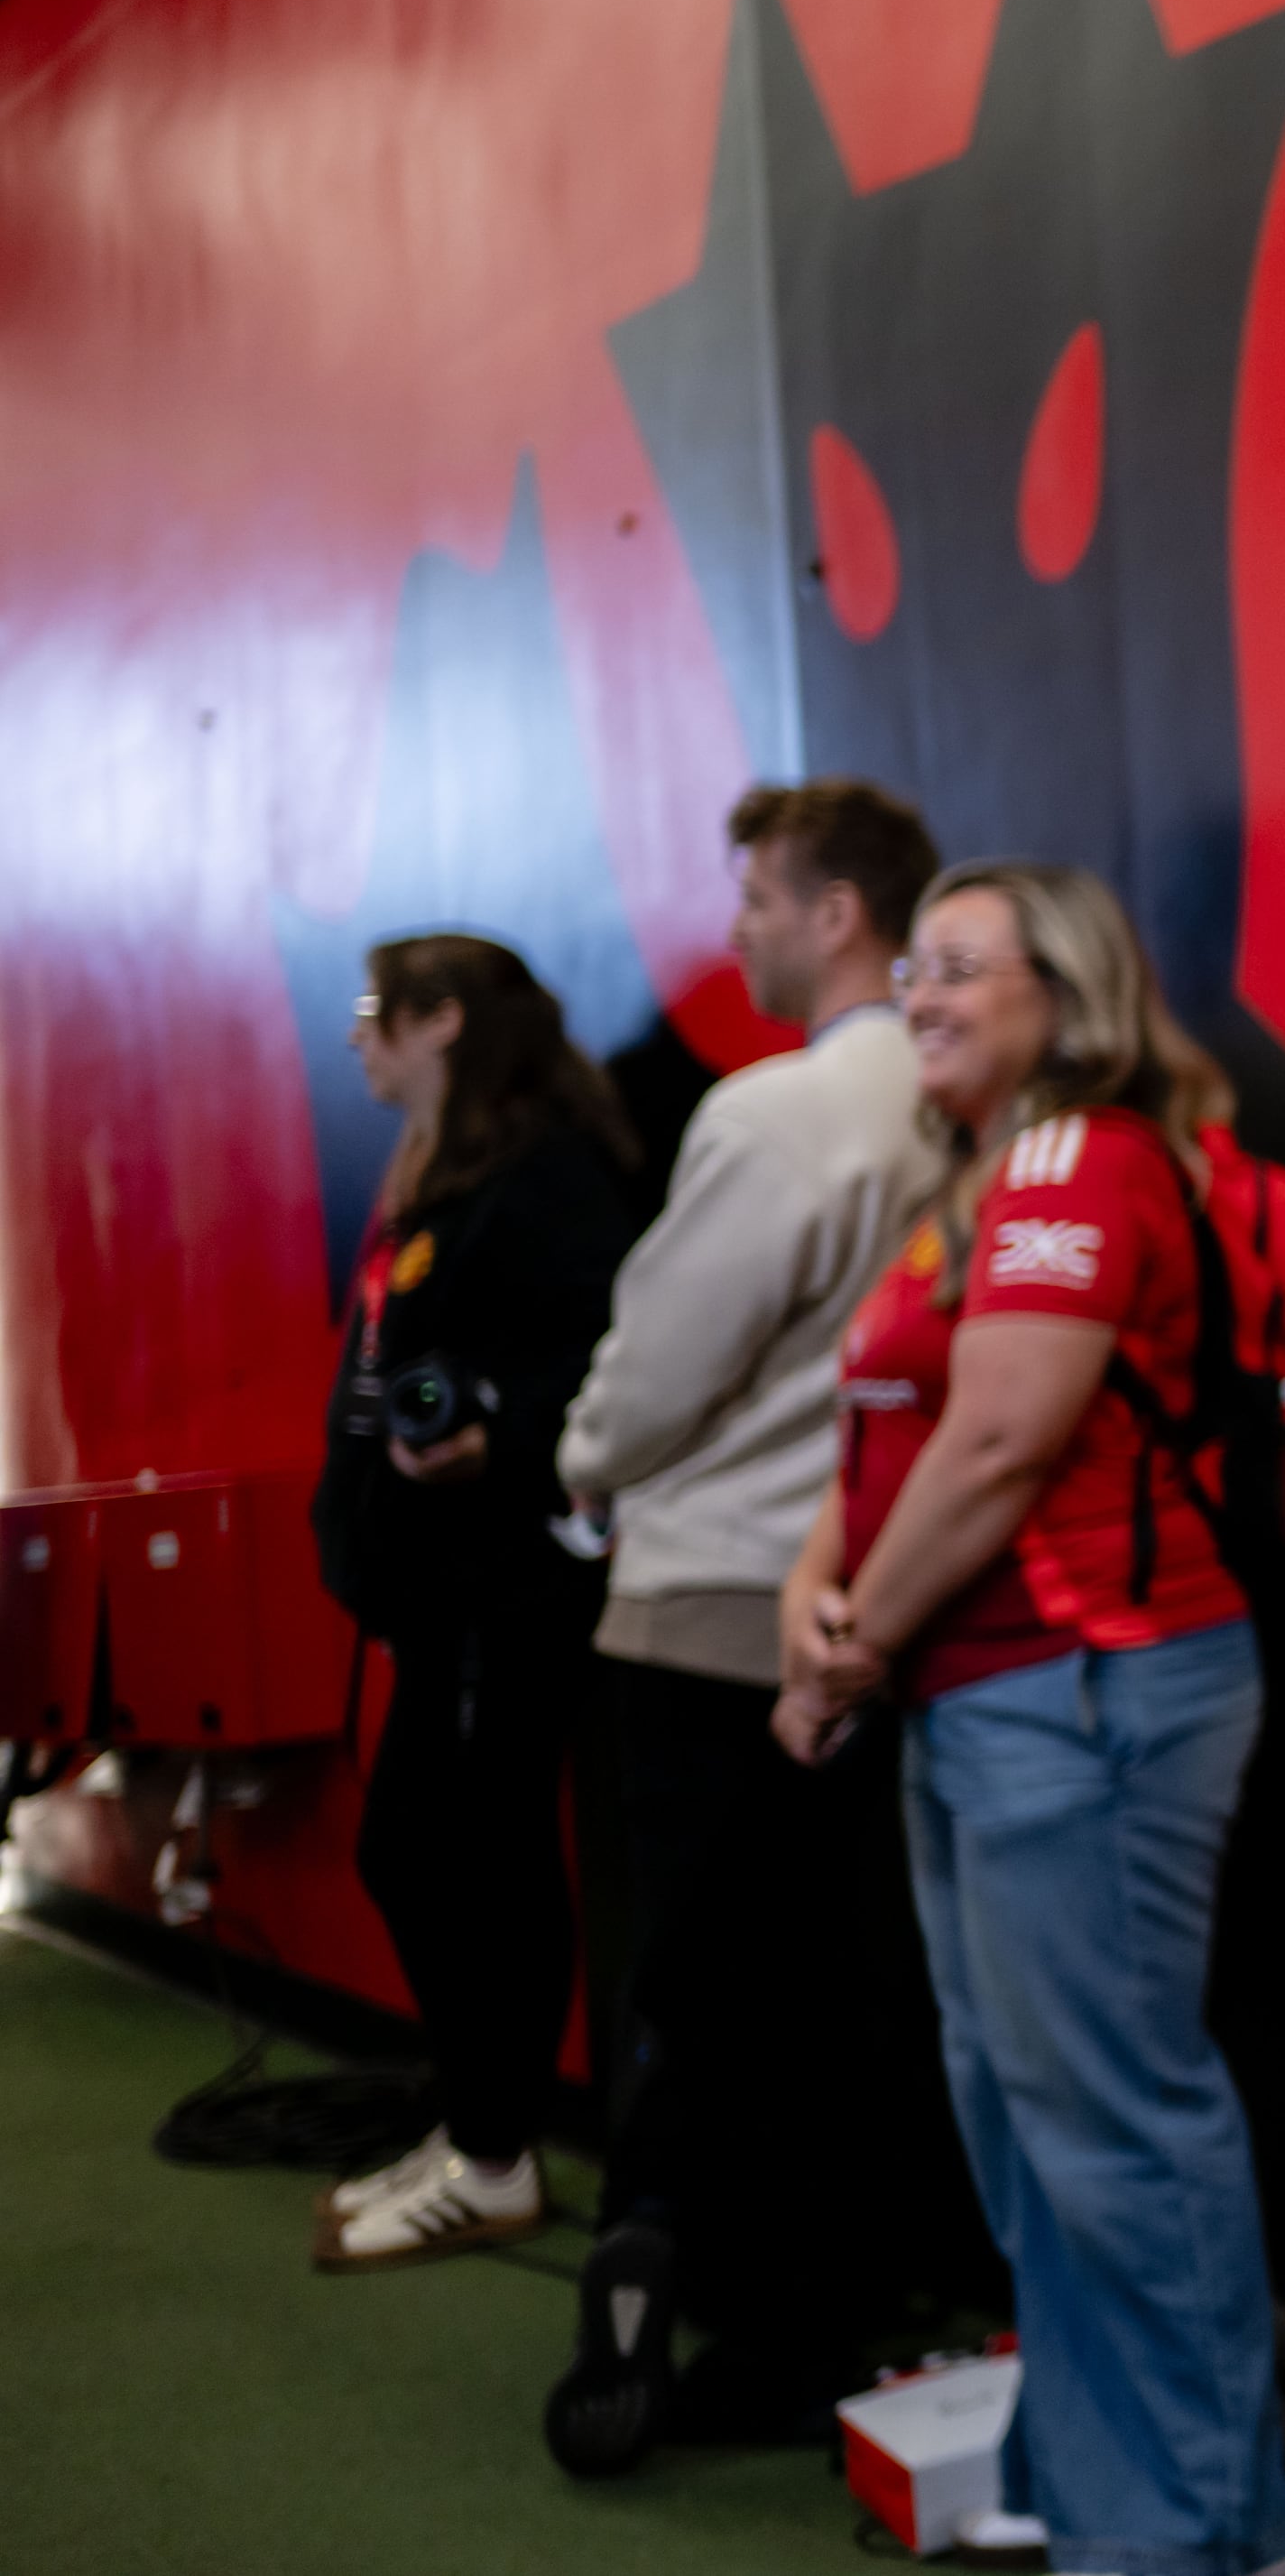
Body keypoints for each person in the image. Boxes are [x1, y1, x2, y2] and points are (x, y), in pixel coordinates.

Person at [777, 859, 1285, 2576]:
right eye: (908, 964)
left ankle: (1200, 2535)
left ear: (1062, 999)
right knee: (1030, 2125)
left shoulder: (1080, 1154)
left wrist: (846, 1649)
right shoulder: (979, 1178)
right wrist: (818, 1588)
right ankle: (1102, 2492)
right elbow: (897, 1430)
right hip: (988, 1689)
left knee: (1114, 2127)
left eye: (956, 967)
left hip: (1085, 1687)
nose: (914, 993)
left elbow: (999, 1442)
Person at [541, 780, 953, 2469]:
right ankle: (810, 2324)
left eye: (761, 899)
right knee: (836, 1987)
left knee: (697, 1989)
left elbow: (651, 1372)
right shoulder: (967, 1110)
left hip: (711, 1609)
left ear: (838, 912)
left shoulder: (783, 1114)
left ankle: (669, 2295)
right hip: (893, 1606)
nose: (738, 931)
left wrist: (571, 1468)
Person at [310, 932, 642, 2271]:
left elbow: (608, 1359)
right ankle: (475, 2127)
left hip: (509, 1584)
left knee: (463, 1854)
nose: (357, 1039)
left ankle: (494, 2152)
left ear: (441, 1021)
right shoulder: (442, 1165)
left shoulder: (547, 1166)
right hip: (434, 1589)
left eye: (373, 1014)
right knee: (426, 1848)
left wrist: (496, 1431)